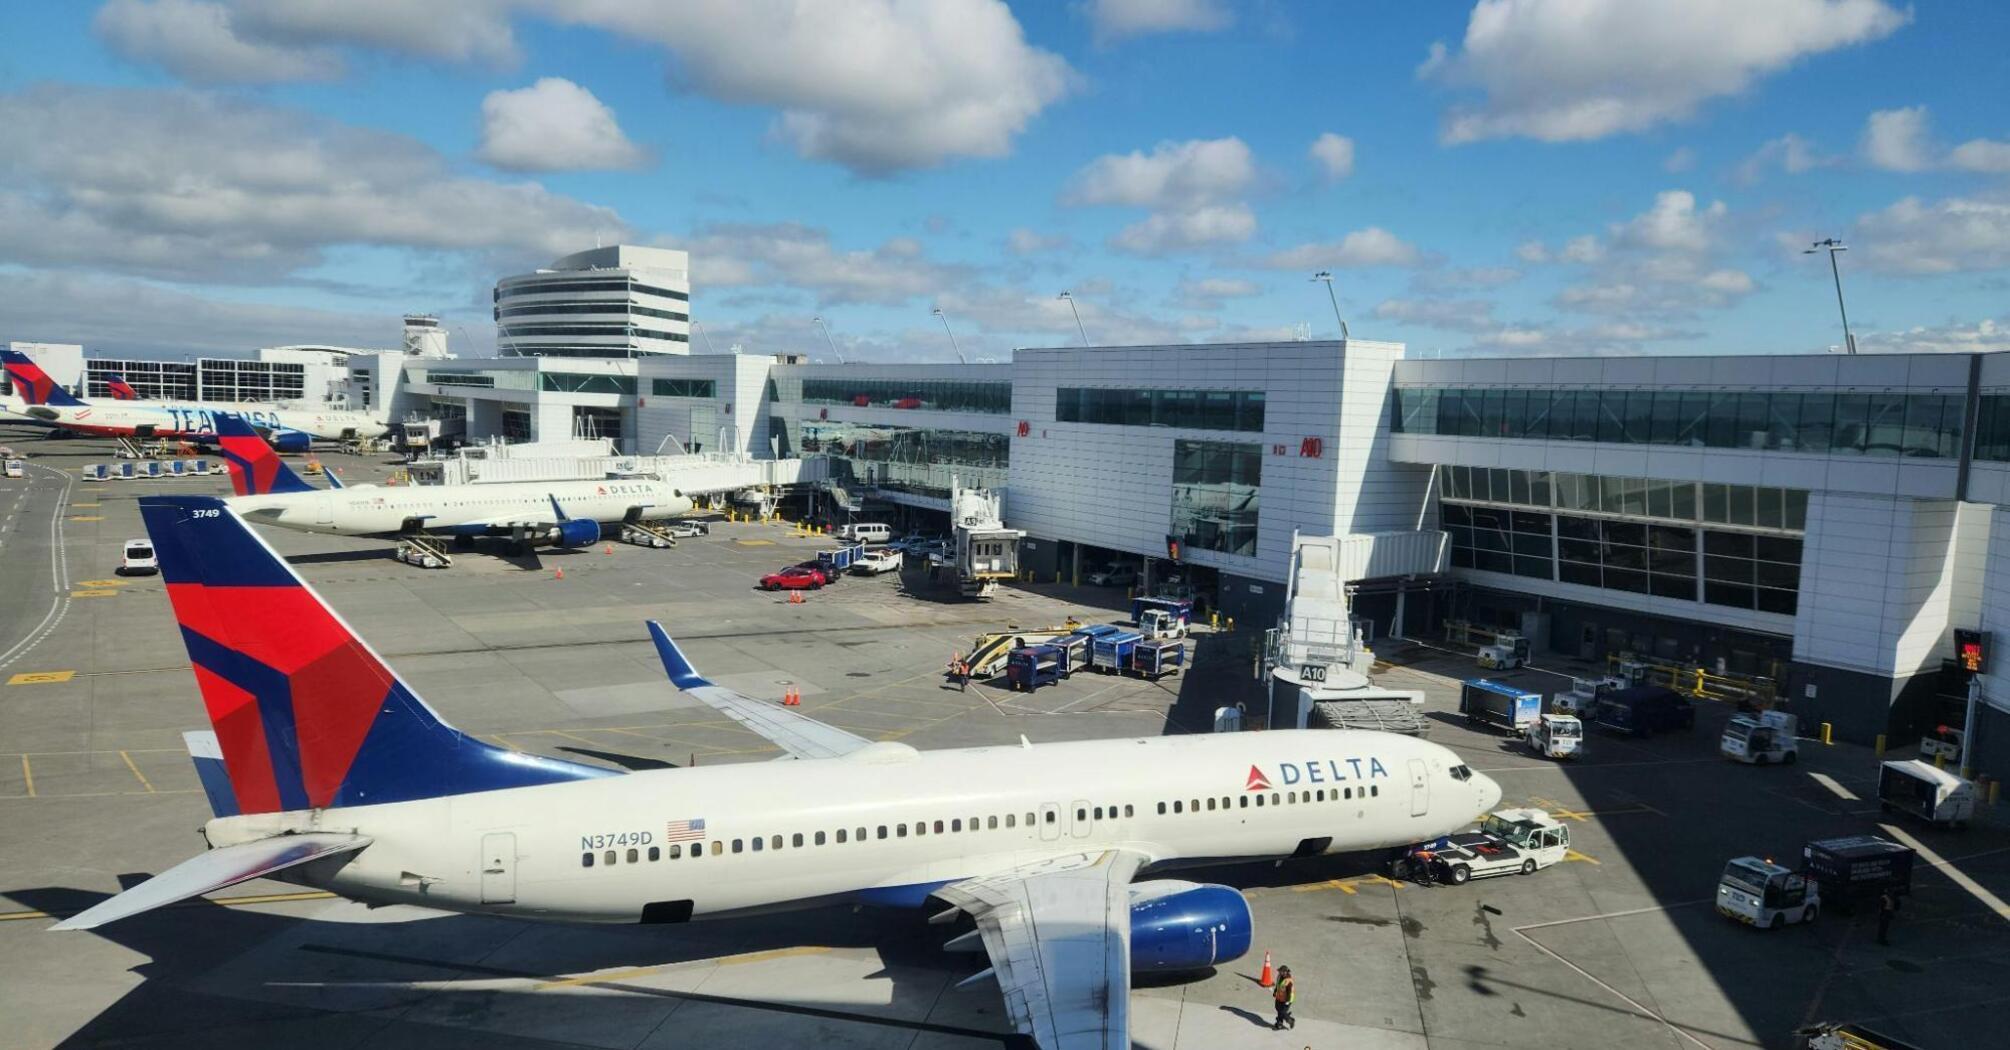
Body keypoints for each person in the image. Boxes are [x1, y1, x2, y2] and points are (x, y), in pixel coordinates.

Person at [1271, 965, 1296, 1031]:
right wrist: (1275, 991)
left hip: (1287, 999)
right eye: (1279, 971)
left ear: (1285, 972)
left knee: (1282, 1012)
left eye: (1281, 971)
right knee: (1278, 1008)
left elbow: (1289, 992)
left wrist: (1287, 1001)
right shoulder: (1279, 977)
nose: (1279, 972)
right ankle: (1279, 1023)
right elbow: (1278, 985)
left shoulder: (1289, 981)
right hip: (1279, 997)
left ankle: (1290, 1020)